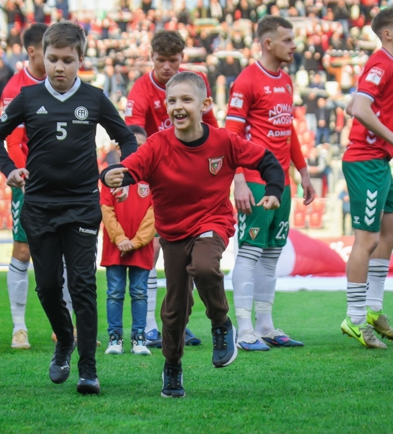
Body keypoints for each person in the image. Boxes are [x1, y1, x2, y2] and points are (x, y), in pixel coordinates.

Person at [101, 72, 284, 398]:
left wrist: (273, 190)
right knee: (175, 309)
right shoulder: (157, 144)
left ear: (205, 104)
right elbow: (129, 169)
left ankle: (221, 324)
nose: (178, 106)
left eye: (186, 99)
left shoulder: (224, 141)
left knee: (204, 266)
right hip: (172, 234)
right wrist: (112, 175)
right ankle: (172, 367)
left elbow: (266, 159)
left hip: (212, 222)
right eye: (172, 100)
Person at [0, 22, 137, 395]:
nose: (59, 66)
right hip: (39, 206)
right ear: (43, 56)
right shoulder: (27, 97)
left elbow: (127, 137)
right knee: (48, 286)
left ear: (80, 59)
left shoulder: (95, 98)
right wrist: (9, 170)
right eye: (53, 58)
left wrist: (124, 173)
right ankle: (65, 338)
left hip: (82, 205)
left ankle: (88, 369)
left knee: (82, 284)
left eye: (68, 60)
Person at [125, 29, 218, 348]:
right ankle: (150, 325)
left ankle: (178, 323)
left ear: (181, 59)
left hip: (190, 178)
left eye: (173, 61)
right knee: (151, 249)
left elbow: (212, 127)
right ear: (152, 57)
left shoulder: (194, 84)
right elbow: (133, 132)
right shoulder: (141, 88)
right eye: (161, 60)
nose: (167, 67)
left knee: (185, 253)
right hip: (155, 176)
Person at [227, 16, 315, 350]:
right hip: (254, 180)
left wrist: (303, 170)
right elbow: (232, 135)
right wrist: (238, 180)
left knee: (272, 254)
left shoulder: (287, 81)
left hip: (283, 184)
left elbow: (287, 129)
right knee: (250, 252)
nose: (294, 45)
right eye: (287, 40)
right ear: (268, 43)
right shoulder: (246, 81)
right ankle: (244, 330)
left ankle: (265, 326)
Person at [341, 7, 393, 349]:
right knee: (366, 240)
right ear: (387, 34)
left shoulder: (391, 66)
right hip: (366, 160)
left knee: (392, 232)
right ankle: (355, 319)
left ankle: (372, 310)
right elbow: (359, 108)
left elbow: (353, 104)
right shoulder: (382, 63)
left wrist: (390, 129)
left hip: (379, 162)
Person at [0, 22, 48, 350]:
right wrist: (25, 177)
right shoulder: (14, 88)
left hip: (62, 179)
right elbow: (13, 141)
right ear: (32, 51)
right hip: (29, 180)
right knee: (23, 249)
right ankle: (19, 328)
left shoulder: (65, 82)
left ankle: (65, 325)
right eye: (49, 51)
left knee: (66, 252)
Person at [101, 125, 154, 356]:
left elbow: (155, 213)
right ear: (120, 149)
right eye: (131, 145)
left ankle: (139, 338)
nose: (136, 150)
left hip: (140, 248)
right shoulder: (111, 176)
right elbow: (106, 210)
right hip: (115, 247)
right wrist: (121, 239)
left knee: (140, 292)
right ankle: (115, 338)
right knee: (114, 293)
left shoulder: (152, 177)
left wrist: (136, 241)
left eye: (141, 146)